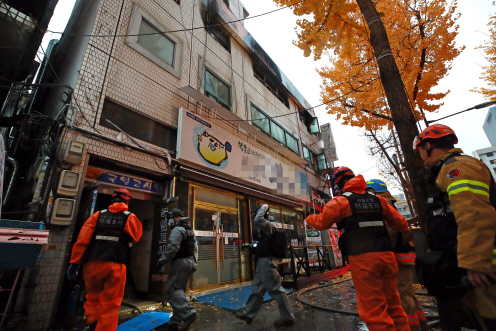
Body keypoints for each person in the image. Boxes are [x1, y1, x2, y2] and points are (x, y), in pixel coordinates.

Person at [306, 166, 410, 331]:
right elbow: (402, 224)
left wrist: (309, 217)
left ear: (339, 185)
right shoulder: (378, 200)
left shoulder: (340, 201)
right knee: (394, 305)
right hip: (387, 256)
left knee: (374, 311)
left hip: (363, 259)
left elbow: (321, 223)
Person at [414, 124, 496, 331]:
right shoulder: (448, 169)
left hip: (485, 265)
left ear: (429, 145)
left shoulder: (456, 169)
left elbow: (473, 215)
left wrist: (475, 262)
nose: (420, 154)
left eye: (421, 149)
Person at [66, 188, 142, 331]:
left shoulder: (96, 216)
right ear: (127, 201)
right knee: (110, 304)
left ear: (112, 200)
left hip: (92, 264)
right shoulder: (130, 217)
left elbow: (82, 241)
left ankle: (92, 325)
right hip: (116, 265)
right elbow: (136, 237)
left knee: (92, 299)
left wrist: (74, 263)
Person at [366, 179, 428, 331]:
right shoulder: (390, 204)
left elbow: (390, 233)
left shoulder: (382, 205)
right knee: (408, 294)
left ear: (373, 191)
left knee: (401, 297)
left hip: (396, 259)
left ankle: (411, 327)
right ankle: (421, 326)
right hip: (403, 257)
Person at [234, 204, 295, 327]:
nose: (254, 217)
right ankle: (248, 315)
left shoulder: (268, 225)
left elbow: (258, 219)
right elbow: (263, 245)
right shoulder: (266, 230)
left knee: (277, 290)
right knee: (257, 290)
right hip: (263, 261)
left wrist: (264, 207)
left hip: (267, 262)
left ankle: (288, 317)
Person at [157, 209, 198, 331]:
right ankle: (175, 321)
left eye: (169, 219)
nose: (169, 222)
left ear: (175, 218)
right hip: (189, 261)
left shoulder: (177, 229)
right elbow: (195, 247)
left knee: (172, 290)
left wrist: (162, 260)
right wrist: (195, 262)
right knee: (179, 290)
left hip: (180, 262)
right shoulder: (189, 229)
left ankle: (188, 313)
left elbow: (173, 247)